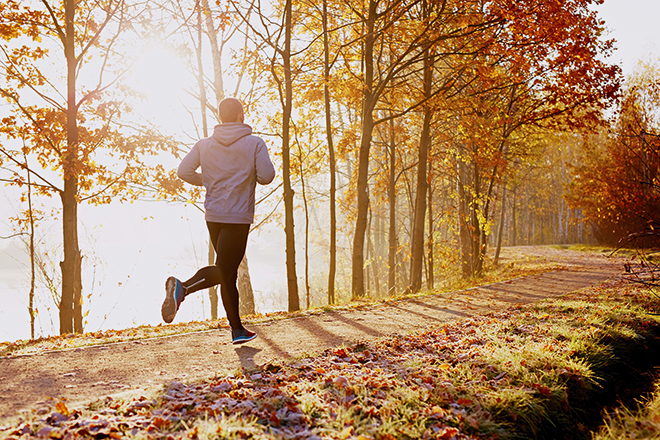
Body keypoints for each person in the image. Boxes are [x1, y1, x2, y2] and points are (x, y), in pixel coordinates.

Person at [161, 97, 275, 345]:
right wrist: (245, 174)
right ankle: (184, 288)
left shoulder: (204, 145)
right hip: (237, 216)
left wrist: (210, 179)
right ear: (241, 115)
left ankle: (237, 330)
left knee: (227, 271)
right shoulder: (254, 144)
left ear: (221, 118)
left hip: (213, 215)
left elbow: (183, 172)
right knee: (226, 269)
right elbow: (267, 176)